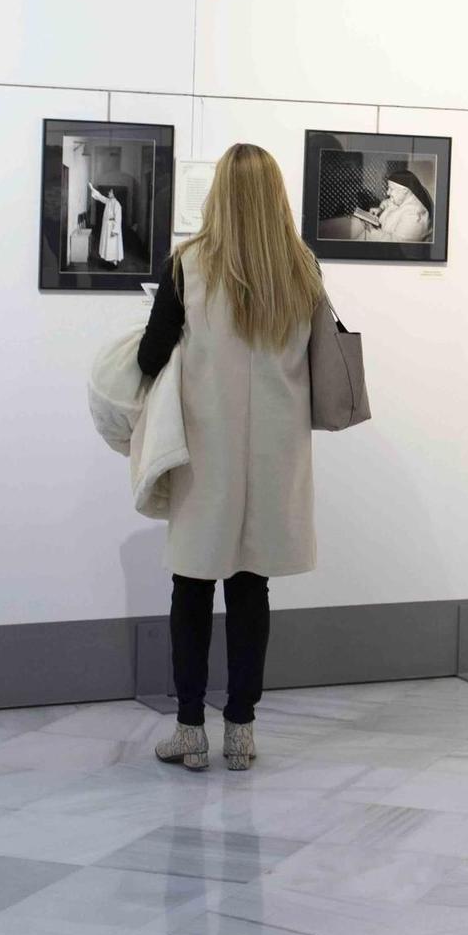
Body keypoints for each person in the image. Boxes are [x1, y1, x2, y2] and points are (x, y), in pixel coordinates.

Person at [140, 143, 332, 772]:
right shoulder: (302, 270)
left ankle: (190, 731)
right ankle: (242, 731)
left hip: (204, 452)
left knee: (191, 587)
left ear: (218, 192)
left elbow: (150, 357)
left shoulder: (188, 266)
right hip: (275, 456)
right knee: (253, 588)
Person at [362, 169, 431, 243]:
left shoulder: (415, 215)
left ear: (405, 190)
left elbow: (398, 245)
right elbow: (387, 202)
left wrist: (372, 230)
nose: (388, 193)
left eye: (391, 189)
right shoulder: (402, 198)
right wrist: (380, 209)